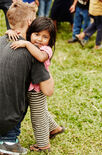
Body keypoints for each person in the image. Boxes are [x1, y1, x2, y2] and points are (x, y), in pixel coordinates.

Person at [0, 1, 54, 154]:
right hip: (7, 119)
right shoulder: (31, 52)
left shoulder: (1, 40)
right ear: (30, 22)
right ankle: (8, 143)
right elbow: (48, 90)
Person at [7, 17, 65, 152]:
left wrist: (27, 44)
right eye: (36, 34)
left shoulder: (46, 49)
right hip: (27, 87)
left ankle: (43, 145)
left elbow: (40, 57)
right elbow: (18, 35)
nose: (39, 39)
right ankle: (55, 128)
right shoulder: (30, 41)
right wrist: (10, 32)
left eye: (45, 37)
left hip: (37, 89)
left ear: (50, 40)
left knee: (37, 117)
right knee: (41, 111)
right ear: (31, 33)